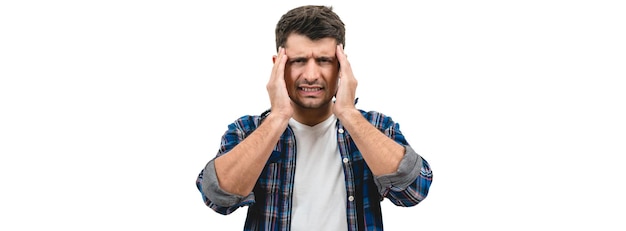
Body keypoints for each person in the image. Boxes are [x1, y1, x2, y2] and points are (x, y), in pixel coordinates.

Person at [195, 5, 433, 230]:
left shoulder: (376, 127)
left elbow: (413, 191)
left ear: (341, 66)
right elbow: (218, 198)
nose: (311, 75)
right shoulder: (246, 130)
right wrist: (278, 117)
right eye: (299, 61)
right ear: (279, 65)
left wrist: (348, 114)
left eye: (324, 61)